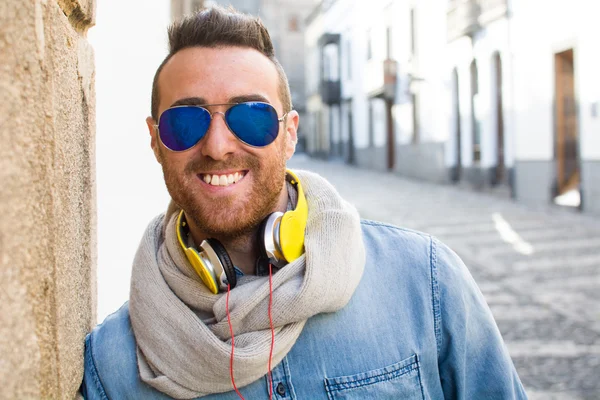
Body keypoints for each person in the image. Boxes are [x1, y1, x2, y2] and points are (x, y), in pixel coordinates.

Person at [81, 6, 527, 400]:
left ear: (290, 132)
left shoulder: (424, 282)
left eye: (251, 117)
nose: (217, 146)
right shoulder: (114, 363)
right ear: (157, 141)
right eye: (184, 122)